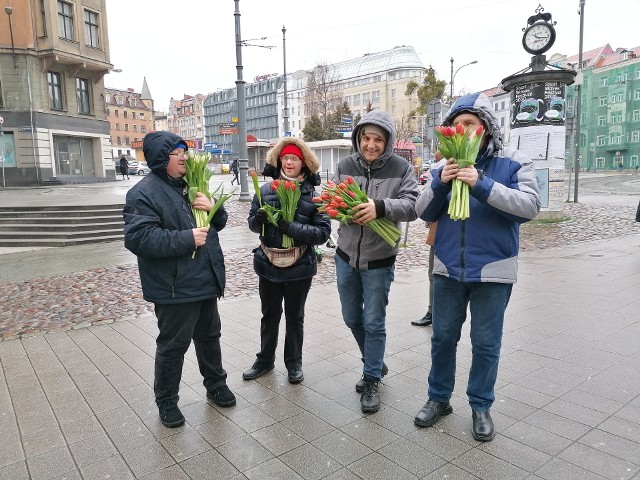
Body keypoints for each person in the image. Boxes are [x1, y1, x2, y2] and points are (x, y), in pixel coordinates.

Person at [413, 93, 541, 441]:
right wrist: (440, 182)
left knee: (485, 343)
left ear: (484, 127)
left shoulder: (513, 161)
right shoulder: (442, 165)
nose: (461, 130)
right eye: (455, 125)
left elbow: (529, 207)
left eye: (468, 123)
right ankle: (439, 399)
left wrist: (481, 183)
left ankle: (481, 405)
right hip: (448, 268)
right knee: (442, 339)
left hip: (493, 270)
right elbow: (422, 211)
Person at [123, 131, 236, 429]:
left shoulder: (191, 184)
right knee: (173, 346)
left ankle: (216, 384)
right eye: (178, 153)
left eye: (185, 151)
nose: (185, 157)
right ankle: (167, 401)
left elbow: (218, 223)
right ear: (162, 159)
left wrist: (213, 207)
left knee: (210, 337)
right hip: (174, 286)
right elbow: (139, 238)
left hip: (205, 279)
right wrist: (187, 238)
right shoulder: (143, 193)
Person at [333, 110, 418, 413]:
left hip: (380, 258)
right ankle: (376, 363)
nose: (371, 145)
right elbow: (332, 196)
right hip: (345, 255)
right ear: (358, 139)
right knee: (352, 317)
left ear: (387, 141)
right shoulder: (344, 165)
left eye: (377, 139)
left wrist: (380, 208)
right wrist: (335, 208)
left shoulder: (401, 167)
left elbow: (413, 205)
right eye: (366, 138)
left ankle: (370, 379)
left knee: (374, 321)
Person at [243, 138, 331, 384]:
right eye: (285, 158)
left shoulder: (314, 196)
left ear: (303, 163)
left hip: (299, 266)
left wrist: (290, 228)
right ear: (278, 160)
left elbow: (322, 234)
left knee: (295, 316)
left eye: (294, 158)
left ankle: (293, 363)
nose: (289, 162)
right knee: (269, 314)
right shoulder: (265, 191)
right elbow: (252, 224)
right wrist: (258, 220)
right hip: (268, 263)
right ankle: (264, 361)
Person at [412, 221, 436, 327]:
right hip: (438, 234)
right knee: (433, 276)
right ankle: (432, 313)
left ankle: (433, 314)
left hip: (445, 234)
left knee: (435, 276)